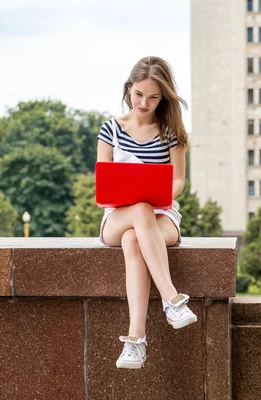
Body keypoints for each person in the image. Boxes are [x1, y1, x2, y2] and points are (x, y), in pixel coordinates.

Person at [96, 56, 197, 369]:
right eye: (139, 94)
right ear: (129, 89)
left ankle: (135, 341)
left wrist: (159, 194)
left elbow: (179, 179)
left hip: (162, 214)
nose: (144, 102)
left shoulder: (170, 132)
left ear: (163, 97)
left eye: (153, 97)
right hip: (117, 216)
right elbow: (102, 183)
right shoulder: (111, 130)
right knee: (138, 209)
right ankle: (171, 299)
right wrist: (138, 198)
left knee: (134, 241)